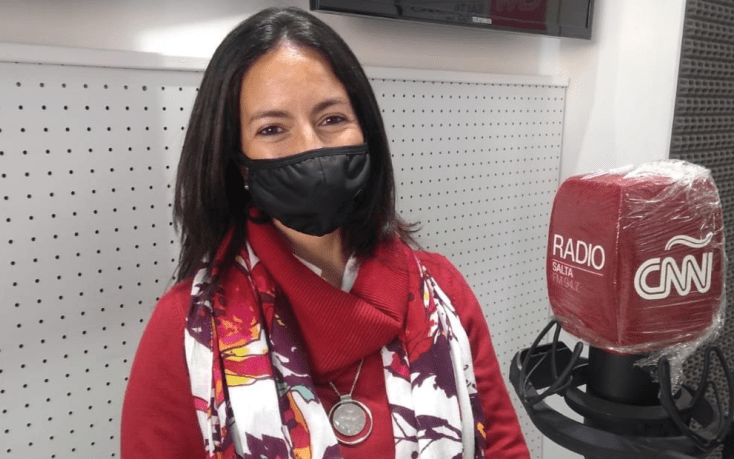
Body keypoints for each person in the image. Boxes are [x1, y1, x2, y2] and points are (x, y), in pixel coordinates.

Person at [121, 6, 530, 459]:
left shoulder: (443, 291)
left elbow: (503, 448)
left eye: (332, 119)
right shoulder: (188, 328)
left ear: (365, 131)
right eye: (272, 129)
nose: (311, 149)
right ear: (239, 163)